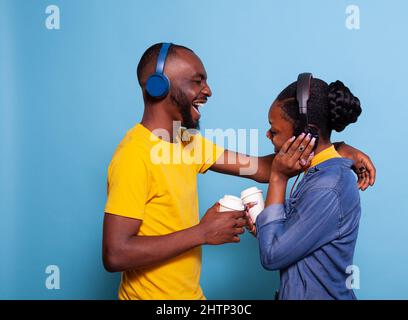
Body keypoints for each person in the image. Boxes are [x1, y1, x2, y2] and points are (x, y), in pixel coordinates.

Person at [102, 43, 375, 300]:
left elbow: (265, 168)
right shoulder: (134, 156)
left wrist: (333, 149)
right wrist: (202, 233)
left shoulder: (187, 143)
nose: (208, 91)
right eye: (197, 81)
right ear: (159, 86)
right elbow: (115, 254)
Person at [246, 76, 367, 299]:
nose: (267, 135)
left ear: (307, 133)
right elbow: (295, 237)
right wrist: (264, 229)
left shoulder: (326, 187)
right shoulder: (315, 175)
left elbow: (272, 255)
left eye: (274, 131)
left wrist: (278, 178)